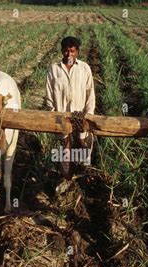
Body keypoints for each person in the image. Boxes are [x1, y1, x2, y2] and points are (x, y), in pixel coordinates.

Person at [45, 36, 96, 179]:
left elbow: (90, 92)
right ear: (62, 51)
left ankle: (83, 174)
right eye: (66, 51)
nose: (69, 55)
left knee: (82, 143)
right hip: (62, 116)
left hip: (80, 116)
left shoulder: (84, 68)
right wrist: (53, 114)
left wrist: (89, 114)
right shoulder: (54, 69)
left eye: (72, 51)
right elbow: (49, 95)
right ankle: (65, 176)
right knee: (65, 146)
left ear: (77, 52)